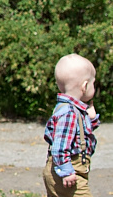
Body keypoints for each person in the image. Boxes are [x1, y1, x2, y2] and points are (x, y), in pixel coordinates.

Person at [43, 54, 100, 197]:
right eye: (93, 83)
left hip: (63, 170)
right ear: (85, 86)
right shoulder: (69, 113)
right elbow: (60, 145)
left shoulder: (69, 109)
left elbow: (77, 135)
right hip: (67, 171)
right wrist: (66, 171)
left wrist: (91, 119)